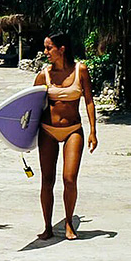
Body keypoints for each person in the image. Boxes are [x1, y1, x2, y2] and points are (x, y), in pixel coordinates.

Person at [34, 33, 98, 240]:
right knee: (47, 180)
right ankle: (47, 226)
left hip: (73, 130)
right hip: (47, 131)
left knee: (69, 179)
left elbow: (89, 100)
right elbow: (30, 106)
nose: (45, 52)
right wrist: (22, 138)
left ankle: (69, 222)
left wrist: (93, 131)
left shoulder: (81, 70)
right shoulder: (43, 75)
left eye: (49, 48)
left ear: (61, 49)